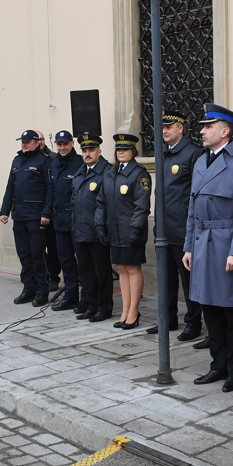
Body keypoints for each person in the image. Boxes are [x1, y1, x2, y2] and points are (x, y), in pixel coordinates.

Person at [183, 104, 233, 392]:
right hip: (202, 244)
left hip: (226, 244)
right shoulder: (202, 161)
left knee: (231, 311)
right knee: (210, 310)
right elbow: (193, 207)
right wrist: (189, 246)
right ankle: (218, 365)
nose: (201, 131)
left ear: (225, 131)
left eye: (208, 126)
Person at [145, 109, 203, 342]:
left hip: (183, 229)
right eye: (162, 127)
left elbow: (195, 194)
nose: (165, 131)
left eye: (169, 127)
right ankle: (167, 318)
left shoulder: (193, 153)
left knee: (189, 281)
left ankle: (194, 322)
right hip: (164, 229)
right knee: (166, 279)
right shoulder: (164, 154)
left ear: (181, 128)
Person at [95, 133, 151, 329]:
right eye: (118, 150)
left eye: (125, 150)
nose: (121, 153)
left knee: (133, 268)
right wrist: (100, 225)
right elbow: (101, 202)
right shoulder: (110, 173)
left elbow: (141, 206)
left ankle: (134, 312)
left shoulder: (139, 174)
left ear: (133, 152)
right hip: (114, 230)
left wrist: (135, 229)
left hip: (130, 230)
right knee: (121, 268)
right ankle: (126, 310)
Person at [0, 130, 54, 307]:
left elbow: (50, 189)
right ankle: (28, 288)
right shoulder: (17, 161)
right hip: (20, 216)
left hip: (36, 216)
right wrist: (5, 210)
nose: (24, 144)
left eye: (28, 141)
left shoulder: (44, 161)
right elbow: (10, 187)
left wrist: (46, 213)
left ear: (37, 143)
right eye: (22, 141)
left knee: (37, 254)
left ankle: (41, 290)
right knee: (24, 254)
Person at [71, 134, 114, 323]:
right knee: (86, 271)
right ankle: (91, 304)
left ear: (99, 151)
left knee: (101, 272)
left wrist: (102, 227)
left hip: (98, 232)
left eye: (91, 150)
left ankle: (104, 307)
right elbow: (74, 201)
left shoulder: (106, 171)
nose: (87, 154)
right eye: (84, 151)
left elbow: (107, 204)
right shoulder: (80, 172)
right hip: (80, 230)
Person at [49, 130, 85, 311]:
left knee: (83, 261)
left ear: (72, 144)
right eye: (59, 144)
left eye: (65, 144)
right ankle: (71, 296)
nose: (62, 147)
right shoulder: (54, 164)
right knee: (66, 261)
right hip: (59, 221)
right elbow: (51, 192)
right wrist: (47, 214)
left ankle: (86, 298)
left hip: (76, 221)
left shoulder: (80, 163)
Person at [36, 130, 62, 291]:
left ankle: (53, 277)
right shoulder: (25, 159)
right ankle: (41, 274)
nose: (38, 142)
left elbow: (54, 187)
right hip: (34, 212)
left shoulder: (53, 158)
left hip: (51, 212)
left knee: (53, 247)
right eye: (35, 140)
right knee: (37, 247)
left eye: (40, 139)